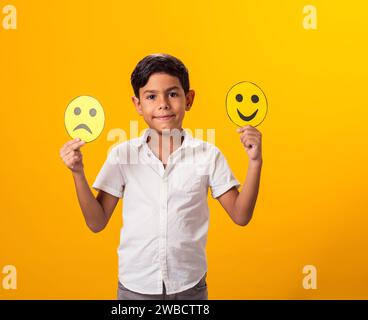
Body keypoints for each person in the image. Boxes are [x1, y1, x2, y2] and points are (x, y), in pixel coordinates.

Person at [59, 53, 263, 300]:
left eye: (173, 94)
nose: (163, 103)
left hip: (189, 286)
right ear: (138, 105)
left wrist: (254, 162)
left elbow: (241, 216)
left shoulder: (208, 155)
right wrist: (78, 173)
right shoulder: (122, 155)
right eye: (151, 96)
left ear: (189, 99)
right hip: (136, 287)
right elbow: (97, 222)